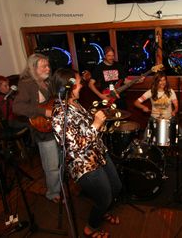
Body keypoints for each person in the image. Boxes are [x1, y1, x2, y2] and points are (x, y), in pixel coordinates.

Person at [50, 68, 122, 238]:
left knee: (116, 187)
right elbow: (74, 145)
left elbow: (86, 127)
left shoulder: (75, 102)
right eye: (78, 82)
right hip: (84, 164)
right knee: (104, 197)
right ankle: (91, 228)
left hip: (99, 153)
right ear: (69, 86)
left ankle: (103, 210)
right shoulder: (59, 114)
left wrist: (101, 119)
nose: (81, 85)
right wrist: (96, 124)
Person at [13, 53, 61, 203]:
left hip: (54, 126)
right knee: (51, 165)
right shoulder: (26, 83)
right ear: (33, 68)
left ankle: (59, 187)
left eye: (48, 65)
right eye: (44, 66)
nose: (48, 68)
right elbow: (17, 107)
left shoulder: (47, 81)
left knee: (60, 160)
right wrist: (43, 111)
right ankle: (53, 193)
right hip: (42, 129)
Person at [134, 71, 179, 145]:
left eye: (164, 80)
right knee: (148, 142)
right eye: (160, 80)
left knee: (172, 141)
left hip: (168, 119)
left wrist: (174, 111)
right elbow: (136, 102)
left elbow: (176, 106)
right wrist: (143, 107)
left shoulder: (171, 91)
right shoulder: (151, 92)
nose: (162, 82)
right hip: (154, 119)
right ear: (156, 82)